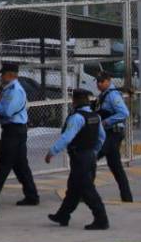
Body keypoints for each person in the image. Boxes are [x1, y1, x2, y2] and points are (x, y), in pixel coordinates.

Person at [45, 88, 109, 230]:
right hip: (89, 156)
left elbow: (67, 137)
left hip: (80, 158)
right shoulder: (95, 116)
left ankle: (101, 219)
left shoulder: (77, 118)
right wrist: (94, 152)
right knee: (73, 189)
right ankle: (63, 215)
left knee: (87, 190)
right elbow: (101, 137)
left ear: (75, 101)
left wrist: (52, 152)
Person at [0, 63, 40, 207]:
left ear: (11, 75)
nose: (1, 77)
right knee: (20, 166)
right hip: (14, 130)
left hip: (14, 130)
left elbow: (7, 111)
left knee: (3, 164)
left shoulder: (15, 91)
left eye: (3, 74)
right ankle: (32, 195)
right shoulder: (9, 90)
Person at [94, 74, 134, 203]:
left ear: (108, 81)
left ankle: (84, 192)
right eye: (97, 81)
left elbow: (124, 113)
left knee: (90, 158)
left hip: (113, 133)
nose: (99, 84)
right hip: (107, 134)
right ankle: (127, 197)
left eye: (101, 81)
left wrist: (107, 122)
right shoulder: (104, 94)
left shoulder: (112, 95)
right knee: (116, 166)